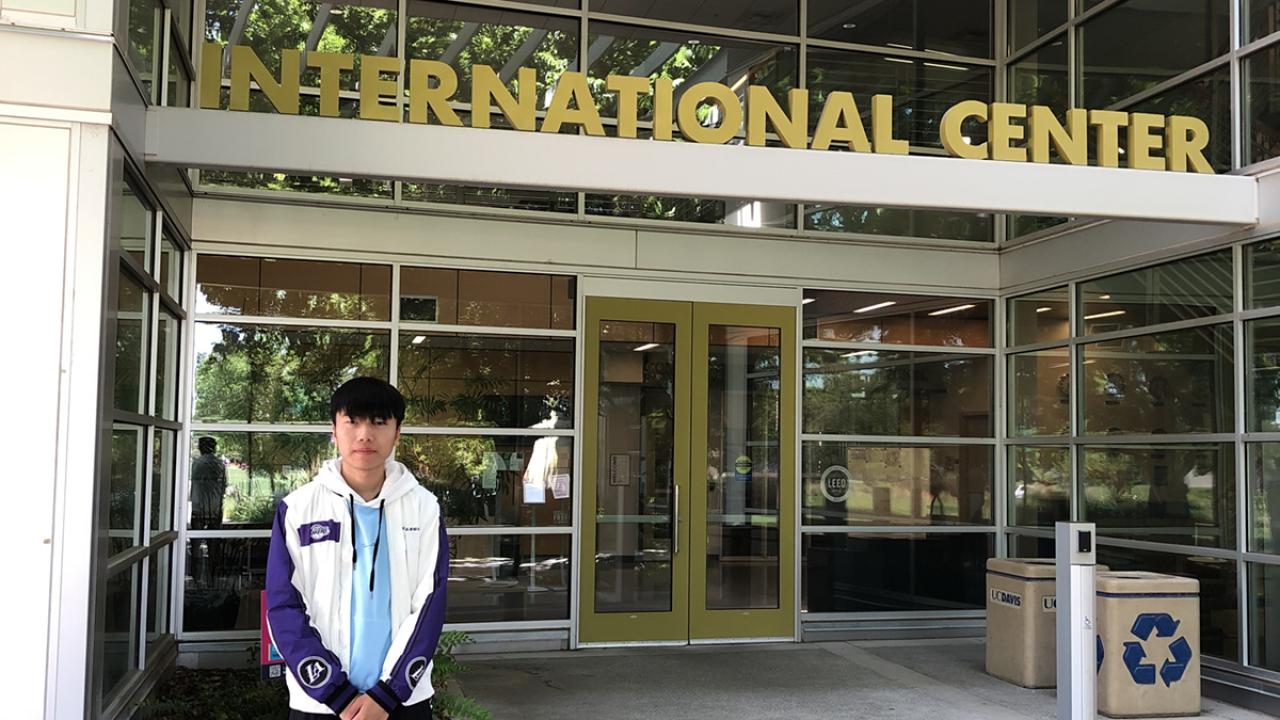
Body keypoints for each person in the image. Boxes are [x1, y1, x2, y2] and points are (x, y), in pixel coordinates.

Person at [266, 377, 447, 720]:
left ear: (397, 433)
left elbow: (430, 605)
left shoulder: (424, 508)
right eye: (353, 421)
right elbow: (283, 605)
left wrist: (387, 695)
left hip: (402, 702)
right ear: (334, 429)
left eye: (379, 422)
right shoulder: (299, 509)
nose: (365, 434)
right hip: (319, 702)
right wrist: (336, 693)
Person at [190, 436, 226, 529]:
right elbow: (223, 485)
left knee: (196, 537)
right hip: (215, 506)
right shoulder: (219, 464)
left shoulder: (197, 463)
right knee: (213, 538)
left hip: (198, 506)